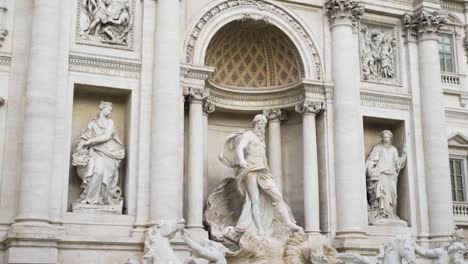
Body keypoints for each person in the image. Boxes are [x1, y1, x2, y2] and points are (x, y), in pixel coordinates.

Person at [219, 114, 301, 236]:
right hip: (250, 169)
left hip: (262, 170)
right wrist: (242, 160)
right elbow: (240, 147)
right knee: (254, 200)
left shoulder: (262, 140)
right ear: (254, 124)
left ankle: (288, 223)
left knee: (277, 196)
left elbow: (264, 158)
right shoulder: (248, 135)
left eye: (263, 124)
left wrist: (268, 171)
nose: (261, 127)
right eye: (259, 124)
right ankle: (259, 230)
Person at [72, 101, 125, 205]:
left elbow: (107, 136)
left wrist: (90, 141)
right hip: (95, 151)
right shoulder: (92, 123)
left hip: (108, 152)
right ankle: (89, 198)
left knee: (101, 173)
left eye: (110, 110)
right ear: (102, 108)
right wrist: (81, 145)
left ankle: (101, 198)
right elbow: (85, 136)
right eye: (108, 109)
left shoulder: (110, 122)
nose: (109, 112)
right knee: (97, 172)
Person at [366, 130, 407, 224]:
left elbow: (398, 164)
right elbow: (372, 160)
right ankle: (382, 214)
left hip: (391, 175)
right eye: (384, 137)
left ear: (390, 138)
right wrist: (371, 170)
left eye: (387, 137)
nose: (385, 139)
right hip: (382, 174)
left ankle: (391, 213)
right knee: (382, 195)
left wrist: (404, 154)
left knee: (392, 196)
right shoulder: (378, 148)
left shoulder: (394, 150)